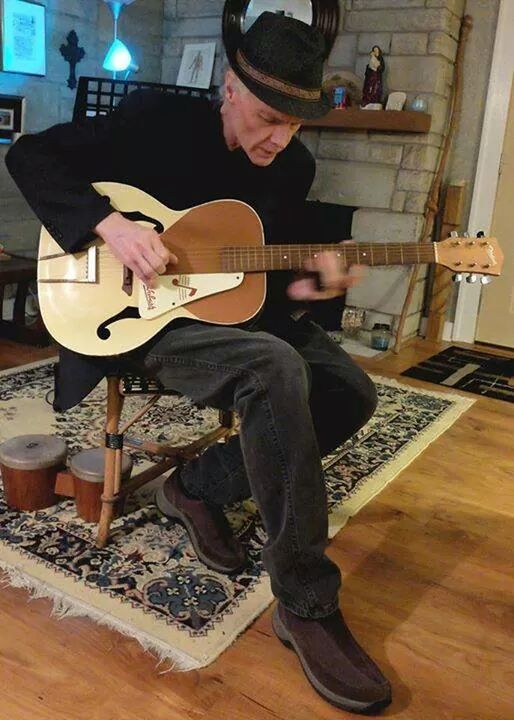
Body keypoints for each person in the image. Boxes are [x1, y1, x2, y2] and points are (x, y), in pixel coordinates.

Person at [6, 12, 391, 715]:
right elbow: (30, 156)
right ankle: (305, 601)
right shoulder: (155, 120)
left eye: (296, 124)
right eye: (271, 116)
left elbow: (269, 282)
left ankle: (196, 487)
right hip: (145, 317)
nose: (281, 138)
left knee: (351, 391)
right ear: (230, 89)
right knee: (275, 370)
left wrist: (318, 284)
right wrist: (108, 224)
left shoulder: (293, 167)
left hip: (236, 316)